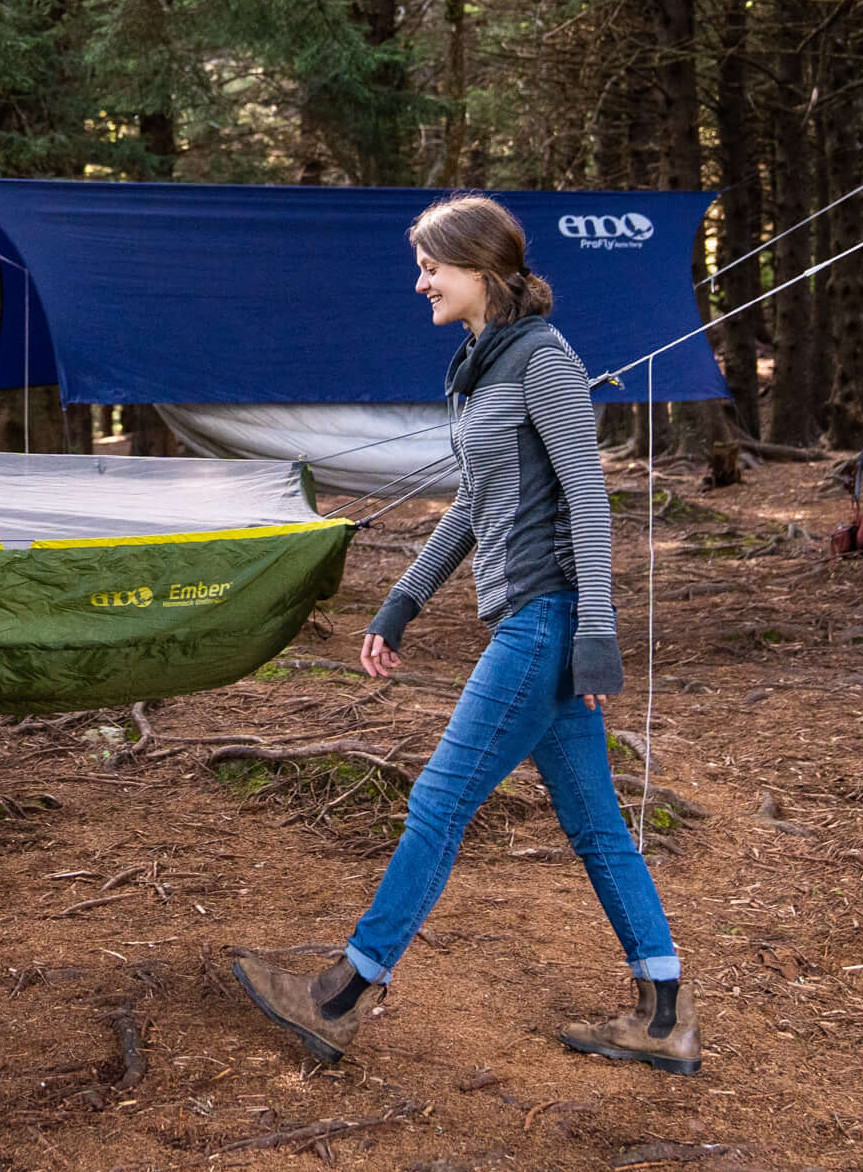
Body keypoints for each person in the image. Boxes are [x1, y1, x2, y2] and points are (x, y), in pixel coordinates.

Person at [231, 194, 699, 1074]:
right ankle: (664, 1009)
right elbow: (475, 504)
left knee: (438, 802)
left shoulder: (544, 362)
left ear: (479, 270)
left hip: (545, 620)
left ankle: (341, 993)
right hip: (538, 619)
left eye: (430, 268)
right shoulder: (486, 366)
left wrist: (597, 631)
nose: (420, 283)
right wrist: (404, 600)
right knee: (597, 822)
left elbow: (589, 501)